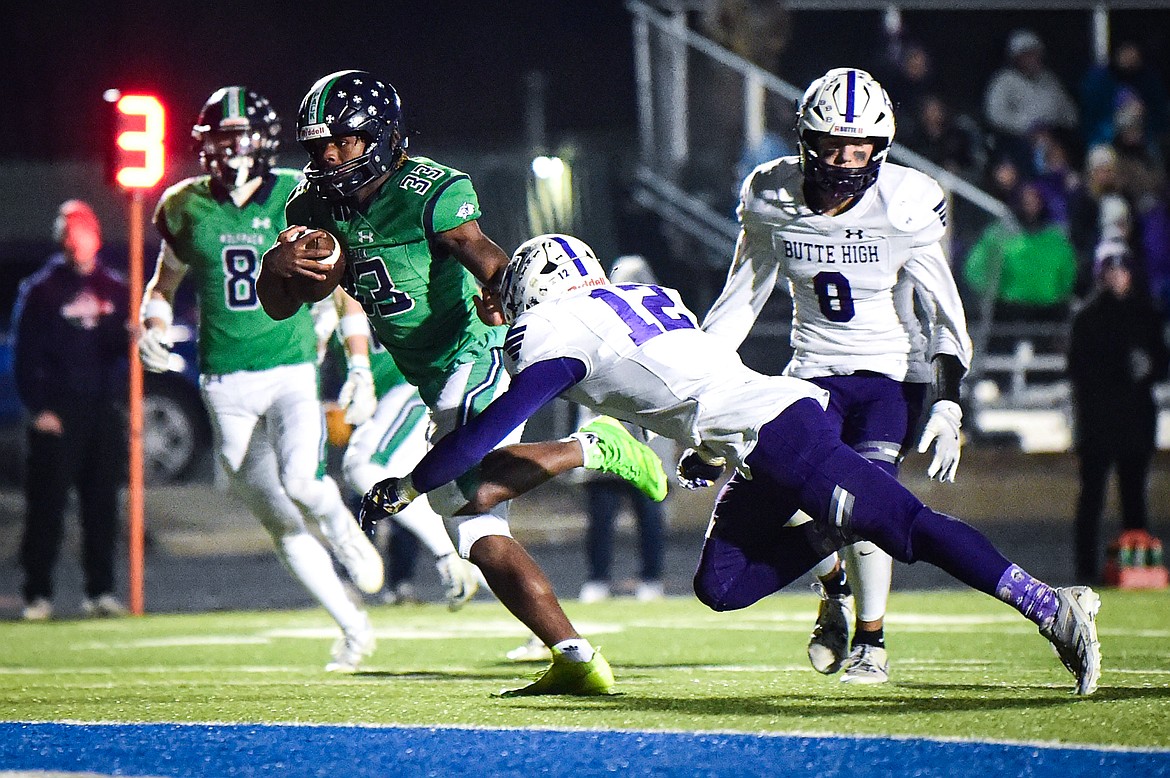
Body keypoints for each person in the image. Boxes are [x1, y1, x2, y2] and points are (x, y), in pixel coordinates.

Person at [358, 232, 1103, 697]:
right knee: (720, 584)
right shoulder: (642, 296)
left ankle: (1049, 606)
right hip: (753, 434)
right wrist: (697, 445)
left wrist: (409, 482)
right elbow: (681, 376)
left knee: (909, 528)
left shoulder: (557, 323)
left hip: (777, 432)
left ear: (537, 287)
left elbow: (498, 421)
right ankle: (830, 534)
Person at [256, 70, 669, 696]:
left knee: (460, 494)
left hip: (469, 354)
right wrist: (277, 268)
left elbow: (487, 257)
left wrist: (501, 299)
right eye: (318, 145)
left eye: (342, 141)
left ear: (383, 138)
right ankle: (575, 658)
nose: (328, 156)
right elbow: (281, 306)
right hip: (427, 375)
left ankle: (595, 446)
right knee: (475, 532)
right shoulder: (311, 207)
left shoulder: (429, 189)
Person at [701, 68, 972, 685]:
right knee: (800, 498)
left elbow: (942, 312)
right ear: (804, 141)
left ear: (880, 148)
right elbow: (739, 301)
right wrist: (704, 395)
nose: (844, 161)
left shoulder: (906, 203)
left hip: (887, 378)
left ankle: (871, 642)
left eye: (858, 149)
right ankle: (834, 593)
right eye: (830, 145)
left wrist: (949, 402)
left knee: (866, 504)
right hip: (809, 374)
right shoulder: (771, 194)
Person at [137, 86, 385, 672]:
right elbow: (163, 285)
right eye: (221, 139)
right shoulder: (184, 203)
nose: (232, 149)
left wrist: (358, 365)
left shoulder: (298, 194)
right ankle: (353, 627)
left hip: (292, 367)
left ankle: (343, 529)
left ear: (266, 141)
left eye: (241, 137)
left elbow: (339, 280)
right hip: (223, 381)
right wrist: (152, 324)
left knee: (302, 479)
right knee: (275, 516)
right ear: (204, 146)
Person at [318, 288, 481, 609]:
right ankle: (530, 614)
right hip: (385, 401)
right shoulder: (326, 297)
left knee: (364, 467)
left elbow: (347, 300)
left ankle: (447, 557)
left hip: (411, 387)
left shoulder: (353, 278)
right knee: (442, 503)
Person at [11, 199, 129, 621]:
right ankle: (37, 593)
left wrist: (131, 337)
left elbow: (119, 349)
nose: (76, 240)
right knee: (47, 508)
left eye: (82, 231)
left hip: (101, 410)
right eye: (69, 232)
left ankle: (101, 590)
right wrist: (39, 407)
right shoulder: (41, 291)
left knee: (102, 506)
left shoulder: (114, 287)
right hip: (58, 413)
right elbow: (25, 356)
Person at [1067, 236, 1169, 583]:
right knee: (1092, 498)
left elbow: (1161, 364)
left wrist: (1150, 367)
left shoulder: (1146, 314)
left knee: (1135, 497)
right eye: (1110, 268)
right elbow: (1079, 370)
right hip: (1099, 421)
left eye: (1122, 267)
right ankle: (1086, 571)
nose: (1117, 274)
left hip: (1135, 421)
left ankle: (1136, 568)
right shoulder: (1088, 317)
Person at [982, 29, 1079, 177]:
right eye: (1025, 54)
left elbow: (1069, 114)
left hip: (1052, 138)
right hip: (1017, 141)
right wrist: (1029, 128)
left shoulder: (1049, 80)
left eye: (1034, 54)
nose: (1031, 59)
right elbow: (995, 115)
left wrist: (1050, 129)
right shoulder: (1004, 81)